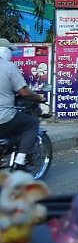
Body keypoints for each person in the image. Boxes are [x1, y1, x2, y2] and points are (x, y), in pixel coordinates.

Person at [0, 38, 46, 172]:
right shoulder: (9, 67)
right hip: (4, 117)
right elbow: (24, 92)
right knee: (31, 124)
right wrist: (39, 98)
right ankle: (19, 162)